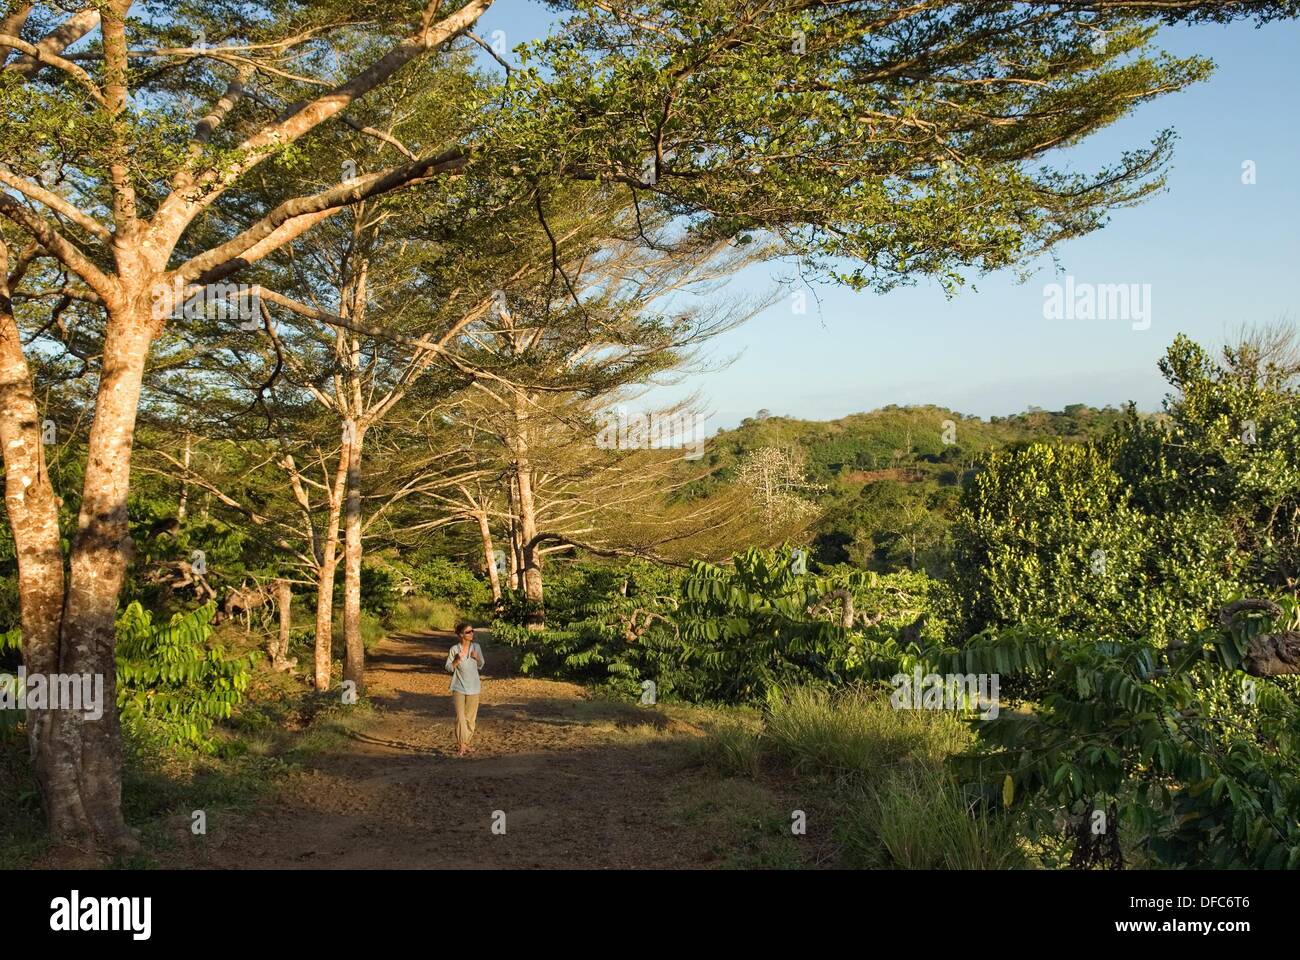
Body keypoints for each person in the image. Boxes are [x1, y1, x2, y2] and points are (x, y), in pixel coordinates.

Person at [445, 622, 485, 757]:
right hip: (458, 687)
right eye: (468, 632)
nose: (471, 633)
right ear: (461, 635)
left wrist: (477, 658)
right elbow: (448, 668)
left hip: (474, 687)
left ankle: (466, 743)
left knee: (470, 719)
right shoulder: (454, 649)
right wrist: (456, 660)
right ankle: (462, 745)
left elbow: (481, 665)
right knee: (460, 717)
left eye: (472, 631)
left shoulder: (476, 647)